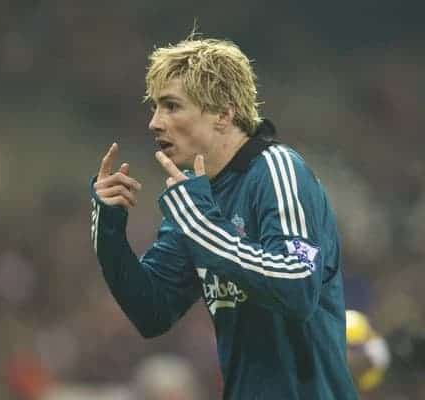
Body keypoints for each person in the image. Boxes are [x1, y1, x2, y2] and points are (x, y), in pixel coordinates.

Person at [90, 35, 358, 399]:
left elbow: (297, 285)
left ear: (224, 113)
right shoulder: (197, 197)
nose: (154, 122)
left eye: (171, 106)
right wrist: (108, 230)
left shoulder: (277, 170)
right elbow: (152, 311)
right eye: (154, 107)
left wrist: (201, 226)